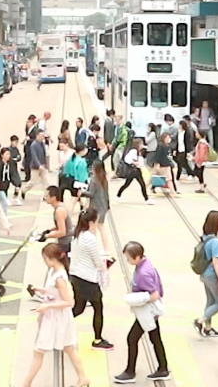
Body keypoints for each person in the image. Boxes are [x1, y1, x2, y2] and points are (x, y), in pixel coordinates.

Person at [21, 243, 89, 387]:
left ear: (51, 259)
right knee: (69, 348)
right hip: (56, 317)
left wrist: (47, 305)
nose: (44, 261)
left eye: (45, 258)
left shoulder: (59, 277)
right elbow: (55, 292)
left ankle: (26, 384)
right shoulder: (56, 271)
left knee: (39, 351)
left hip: (56, 318)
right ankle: (82, 378)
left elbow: (69, 301)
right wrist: (41, 290)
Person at [114, 241, 169, 383]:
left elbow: (155, 294)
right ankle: (163, 368)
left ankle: (130, 372)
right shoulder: (145, 264)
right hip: (149, 313)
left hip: (147, 312)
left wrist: (137, 298)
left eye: (129, 258)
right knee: (155, 339)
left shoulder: (143, 273)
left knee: (132, 339)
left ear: (138, 257)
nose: (127, 261)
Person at [69, 208, 113, 350]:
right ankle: (98, 340)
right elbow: (97, 261)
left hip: (76, 276)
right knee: (98, 308)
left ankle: (57, 325)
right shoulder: (90, 238)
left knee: (79, 308)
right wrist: (105, 265)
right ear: (91, 223)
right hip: (88, 279)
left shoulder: (76, 235)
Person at [193, 211, 218, 337]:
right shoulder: (215, 241)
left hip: (204, 273)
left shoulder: (205, 237)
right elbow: (216, 262)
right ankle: (200, 321)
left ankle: (207, 327)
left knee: (211, 300)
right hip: (212, 274)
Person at [80, 160, 111, 253]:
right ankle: (106, 249)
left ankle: (96, 248)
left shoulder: (94, 180)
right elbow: (106, 193)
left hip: (96, 207)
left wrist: (82, 193)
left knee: (94, 227)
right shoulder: (103, 179)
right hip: (103, 205)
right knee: (100, 227)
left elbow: (91, 194)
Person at [116, 139, 153, 204]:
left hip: (137, 170)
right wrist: (133, 162)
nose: (142, 145)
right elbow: (127, 159)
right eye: (141, 144)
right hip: (133, 170)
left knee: (139, 184)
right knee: (130, 184)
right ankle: (146, 199)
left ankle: (118, 195)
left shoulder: (139, 151)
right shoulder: (133, 151)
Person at [0, 147, 21, 215]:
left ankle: (0, 220)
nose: (8, 156)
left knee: (1, 204)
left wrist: (17, 184)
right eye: (6, 154)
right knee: (4, 203)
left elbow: (12, 175)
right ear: (2, 155)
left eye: (9, 154)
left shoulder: (9, 164)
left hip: (5, 187)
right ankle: (4, 220)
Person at [21, 131, 48, 199]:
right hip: (35, 167)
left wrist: (45, 164)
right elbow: (34, 156)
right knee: (32, 182)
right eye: (41, 136)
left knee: (46, 182)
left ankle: (46, 196)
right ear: (37, 135)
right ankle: (24, 190)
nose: (43, 137)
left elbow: (44, 154)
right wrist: (38, 165)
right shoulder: (34, 145)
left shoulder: (42, 144)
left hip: (43, 166)